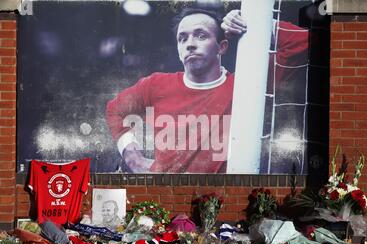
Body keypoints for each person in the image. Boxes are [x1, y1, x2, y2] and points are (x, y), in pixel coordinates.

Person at [106, 7, 308, 173]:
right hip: (165, 194)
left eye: (201, 36)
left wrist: (251, 22)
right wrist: (134, 159)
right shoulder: (155, 84)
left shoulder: (246, 85)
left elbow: (302, 42)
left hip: (221, 198)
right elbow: (114, 109)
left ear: (222, 47)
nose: (190, 44)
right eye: (182, 38)